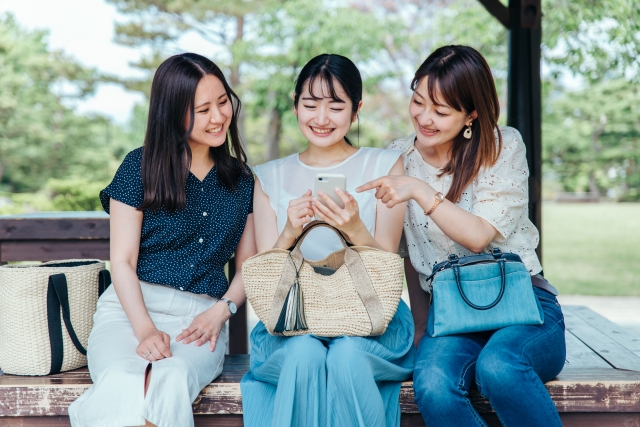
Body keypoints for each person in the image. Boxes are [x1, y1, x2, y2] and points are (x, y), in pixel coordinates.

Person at [357, 45, 566, 427]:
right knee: (433, 383)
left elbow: (478, 235)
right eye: (418, 101)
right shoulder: (397, 157)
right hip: (451, 313)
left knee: (499, 366)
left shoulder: (502, 146)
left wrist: (421, 191)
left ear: (471, 113)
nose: (424, 117)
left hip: (525, 307)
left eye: (441, 111)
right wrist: (421, 330)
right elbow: (406, 253)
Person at [68, 53, 256, 427]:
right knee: (125, 381)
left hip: (200, 320)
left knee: (168, 379)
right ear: (172, 113)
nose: (218, 117)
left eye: (222, 103)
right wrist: (145, 329)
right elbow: (121, 261)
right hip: (130, 313)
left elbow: (248, 265)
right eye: (202, 110)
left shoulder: (242, 180)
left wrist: (222, 312)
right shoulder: (138, 167)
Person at [240, 53, 415, 427]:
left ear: (356, 111)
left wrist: (353, 227)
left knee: (346, 357)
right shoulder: (269, 176)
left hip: (370, 321)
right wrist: (290, 231)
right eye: (310, 104)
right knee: (304, 354)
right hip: (291, 323)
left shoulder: (385, 165)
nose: (321, 118)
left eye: (336, 106)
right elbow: (267, 273)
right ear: (295, 105)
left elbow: (386, 264)